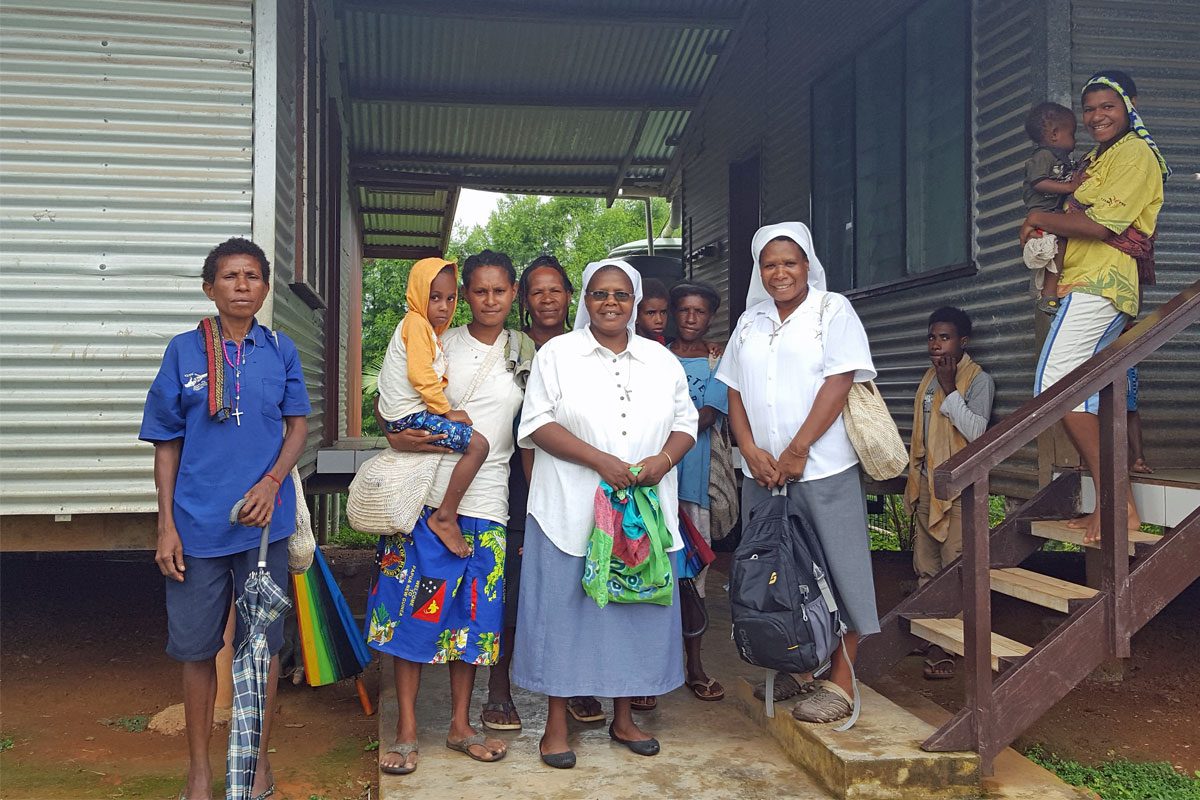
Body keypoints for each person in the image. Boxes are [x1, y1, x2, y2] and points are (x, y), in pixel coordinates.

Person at [139, 237, 311, 800]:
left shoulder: (280, 350)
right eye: (230, 276)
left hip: (265, 527)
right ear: (209, 287)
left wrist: (270, 482)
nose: (243, 285)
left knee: (260, 646)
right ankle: (200, 772)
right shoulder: (183, 352)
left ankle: (257, 765)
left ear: (265, 288)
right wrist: (166, 524)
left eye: (253, 276)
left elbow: (297, 428)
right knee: (195, 649)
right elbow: (165, 443)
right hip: (196, 526)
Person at [512, 259, 697, 768]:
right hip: (570, 508)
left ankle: (624, 718)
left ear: (635, 302)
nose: (610, 303)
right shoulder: (558, 355)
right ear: (585, 301)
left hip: (641, 510)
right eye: (599, 294)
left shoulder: (660, 361)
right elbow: (537, 423)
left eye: (620, 294)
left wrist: (661, 462)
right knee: (563, 613)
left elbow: (686, 421)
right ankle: (555, 727)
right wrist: (600, 461)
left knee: (630, 612)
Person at [367, 251, 525, 775]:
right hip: (424, 497)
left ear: (512, 293)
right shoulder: (438, 339)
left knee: (471, 620)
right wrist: (393, 433)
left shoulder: (524, 354)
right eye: (477, 291)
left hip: (487, 503)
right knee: (409, 609)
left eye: (498, 290)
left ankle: (460, 725)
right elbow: (391, 399)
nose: (487, 300)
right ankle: (407, 730)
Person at [717, 221, 879, 724]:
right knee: (777, 573)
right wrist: (749, 449)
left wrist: (798, 449)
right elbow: (734, 391)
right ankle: (801, 668)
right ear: (759, 270)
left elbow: (839, 380)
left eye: (790, 262)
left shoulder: (833, 311)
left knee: (838, 568)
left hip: (821, 467)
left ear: (808, 264)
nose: (780, 272)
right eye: (770, 264)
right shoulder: (750, 321)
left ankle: (842, 681)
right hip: (761, 473)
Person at [1022, 70, 1168, 543]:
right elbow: (1075, 214)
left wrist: (1037, 217)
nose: (1097, 116)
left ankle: (1116, 505)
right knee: (1082, 393)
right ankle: (1116, 507)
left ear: (1130, 104)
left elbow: (1102, 226)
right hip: (1085, 280)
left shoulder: (1134, 155)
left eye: (1108, 106)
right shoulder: (1100, 156)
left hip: (1102, 281)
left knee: (1056, 383)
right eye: (1090, 109)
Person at [483, 254, 601, 732]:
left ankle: (576, 685)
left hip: (575, 479)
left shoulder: (588, 348)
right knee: (509, 588)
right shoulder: (507, 348)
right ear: (522, 298)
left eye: (556, 289)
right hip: (509, 480)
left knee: (576, 583)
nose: (547, 298)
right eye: (537, 291)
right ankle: (498, 690)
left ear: (570, 295)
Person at [376, 257, 490, 557]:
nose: (444, 306)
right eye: (434, 298)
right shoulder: (416, 325)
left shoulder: (425, 330)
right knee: (478, 446)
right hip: (410, 417)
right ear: (416, 294)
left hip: (404, 415)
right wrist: (445, 411)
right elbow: (420, 375)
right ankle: (445, 516)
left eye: (450, 298)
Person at [903, 307, 994, 680]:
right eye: (932, 337)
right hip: (928, 484)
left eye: (945, 337)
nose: (936, 344)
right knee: (926, 564)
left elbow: (976, 433)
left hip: (958, 489)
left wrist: (949, 388)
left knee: (954, 563)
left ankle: (949, 641)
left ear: (963, 342)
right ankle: (928, 631)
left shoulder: (978, 381)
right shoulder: (928, 379)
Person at [668, 282, 729, 702]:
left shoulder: (717, 359)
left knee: (694, 578)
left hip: (695, 479)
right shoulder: (653, 354)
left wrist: (670, 425)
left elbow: (709, 414)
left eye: (700, 312)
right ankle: (656, 668)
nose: (692, 318)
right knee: (652, 573)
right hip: (655, 481)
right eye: (685, 311)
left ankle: (694, 664)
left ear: (710, 316)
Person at [1022, 101, 1084, 316]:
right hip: (1044, 211)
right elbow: (1038, 182)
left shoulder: (1062, 158)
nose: (1075, 140)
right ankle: (1049, 295)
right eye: (1073, 134)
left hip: (1053, 211)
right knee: (1058, 247)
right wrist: (1069, 186)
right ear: (1055, 134)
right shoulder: (1043, 156)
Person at [635, 277, 670, 344]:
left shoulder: (666, 346)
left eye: (663, 312)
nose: (659, 320)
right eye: (651, 313)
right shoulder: (627, 347)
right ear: (635, 316)